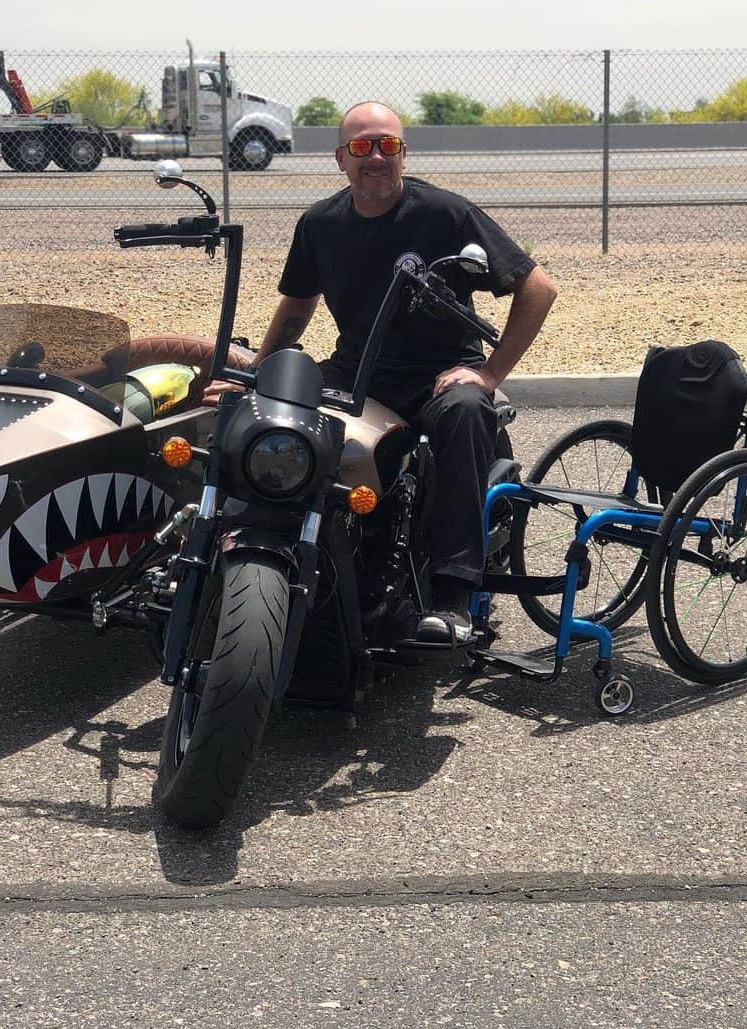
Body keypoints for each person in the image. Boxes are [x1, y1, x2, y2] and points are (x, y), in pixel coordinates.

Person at [206, 101, 557, 643]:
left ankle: (452, 596)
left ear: (403, 153)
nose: (377, 156)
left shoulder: (444, 214)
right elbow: (298, 308)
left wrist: (488, 375)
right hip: (357, 372)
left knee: (465, 412)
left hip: (439, 373)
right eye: (363, 146)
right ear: (340, 158)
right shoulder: (320, 224)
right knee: (264, 413)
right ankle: (257, 554)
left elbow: (538, 288)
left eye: (388, 145)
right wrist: (255, 374)